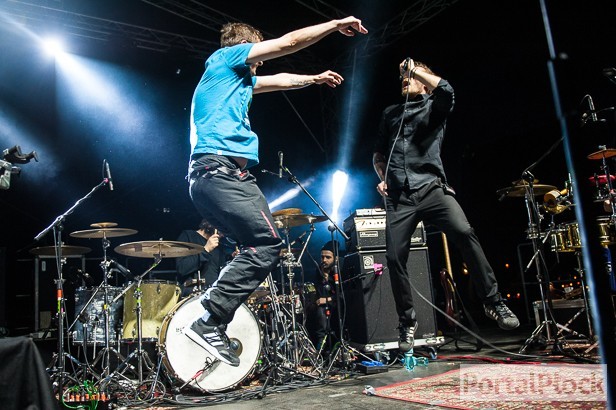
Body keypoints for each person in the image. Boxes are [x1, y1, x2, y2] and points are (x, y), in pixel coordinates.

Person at [184, 18, 368, 366]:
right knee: (267, 244)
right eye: (256, 53)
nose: (260, 63)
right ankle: (210, 317)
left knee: (256, 246)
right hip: (220, 173)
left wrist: (314, 78)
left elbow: (280, 80)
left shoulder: (234, 81)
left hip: (214, 177)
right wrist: (335, 24)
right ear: (244, 46)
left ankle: (213, 316)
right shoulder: (225, 59)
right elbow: (288, 42)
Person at [372, 58, 520, 352]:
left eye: (411, 77)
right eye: (403, 77)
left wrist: (415, 70)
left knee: (464, 232)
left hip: (432, 188)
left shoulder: (434, 107)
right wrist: (383, 178)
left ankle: (493, 302)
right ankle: (407, 320)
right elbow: (378, 154)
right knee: (393, 256)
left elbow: (447, 90)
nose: (404, 79)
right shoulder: (390, 113)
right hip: (400, 197)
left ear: (425, 84)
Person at [175, 219, 236, 298]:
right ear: (211, 223)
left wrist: (233, 260)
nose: (223, 235)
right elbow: (182, 268)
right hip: (193, 295)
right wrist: (206, 250)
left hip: (215, 295)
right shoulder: (188, 236)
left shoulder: (219, 246)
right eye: (221, 229)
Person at [306, 240, 340, 353]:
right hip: (325, 305)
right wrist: (324, 277)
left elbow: (344, 294)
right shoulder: (319, 271)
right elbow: (319, 293)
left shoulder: (340, 270)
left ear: (336, 259)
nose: (324, 260)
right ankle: (319, 348)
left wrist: (327, 299)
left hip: (338, 304)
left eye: (328, 257)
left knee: (321, 311)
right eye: (322, 257)